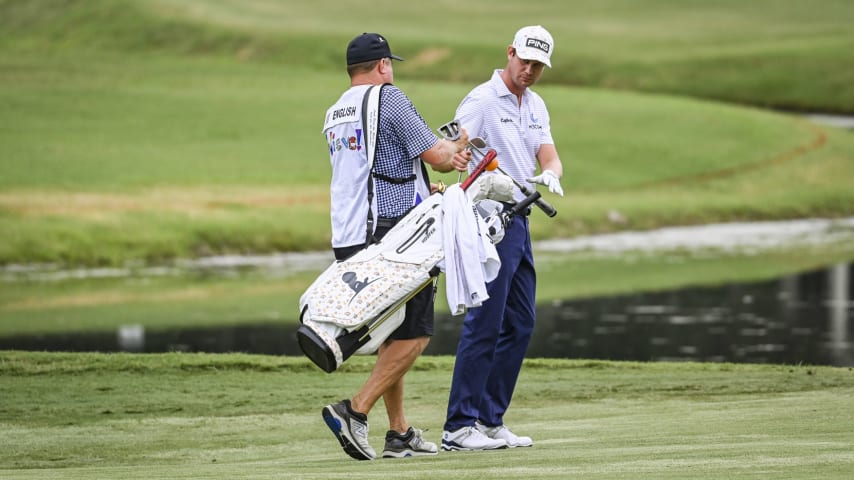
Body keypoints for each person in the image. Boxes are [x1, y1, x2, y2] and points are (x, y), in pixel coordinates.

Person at [320, 32, 470, 460]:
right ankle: (354, 410)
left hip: (350, 234)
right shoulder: (390, 98)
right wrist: (461, 145)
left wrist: (425, 186)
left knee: (392, 333)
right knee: (416, 334)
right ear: (383, 65)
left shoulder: (335, 112)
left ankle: (399, 432)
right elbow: (436, 154)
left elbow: (377, 166)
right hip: (393, 234)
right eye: (391, 64)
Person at [441, 25, 565, 451]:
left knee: (521, 322)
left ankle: (490, 420)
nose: (530, 70)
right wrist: (454, 155)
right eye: (525, 61)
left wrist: (551, 172)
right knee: (486, 322)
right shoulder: (481, 100)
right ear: (510, 53)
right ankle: (459, 425)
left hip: (520, 219)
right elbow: (452, 148)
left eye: (538, 65)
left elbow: (547, 152)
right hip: (486, 222)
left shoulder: (534, 103)